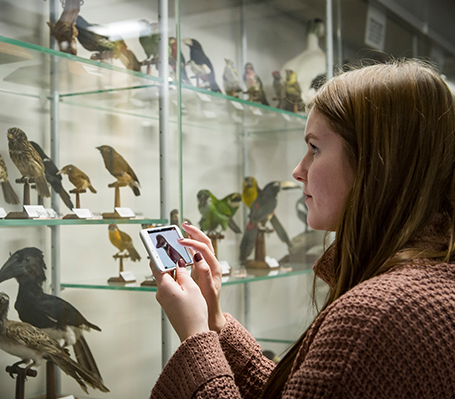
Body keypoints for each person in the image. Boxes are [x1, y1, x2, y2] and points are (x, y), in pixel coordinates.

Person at [150, 59, 455, 398]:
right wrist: (215, 323)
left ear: (374, 161)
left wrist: (196, 338)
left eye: (314, 148)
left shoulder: (373, 316)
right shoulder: (428, 281)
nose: (298, 170)